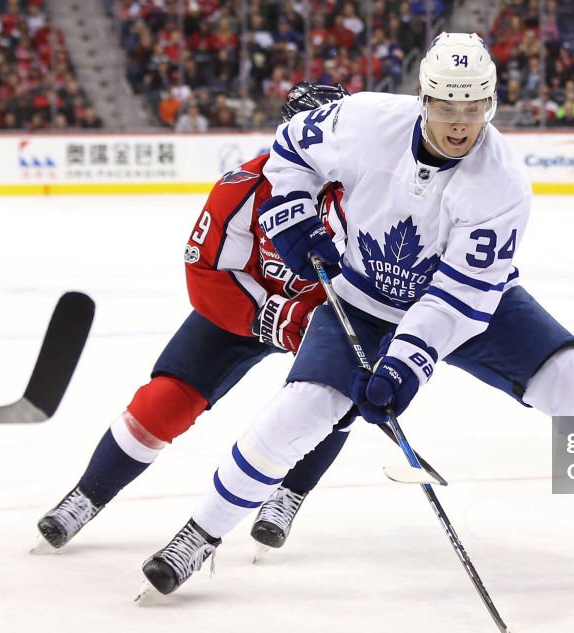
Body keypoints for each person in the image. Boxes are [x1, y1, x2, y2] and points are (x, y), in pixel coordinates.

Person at [140, 33, 574, 597]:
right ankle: (199, 534)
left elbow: (458, 299)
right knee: (301, 412)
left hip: (470, 303)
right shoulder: (365, 121)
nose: (461, 122)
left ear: (490, 104)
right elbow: (290, 147)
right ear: (424, 99)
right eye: (447, 106)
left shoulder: (502, 182)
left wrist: (404, 366)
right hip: (363, 298)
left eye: (475, 107)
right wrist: (290, 215)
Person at [35, 83, 352, 553]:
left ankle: (288, 493)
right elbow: (204, 272)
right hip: (246, 309)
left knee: (337, 400)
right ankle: (87, 495)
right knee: (166, 398)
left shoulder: (367, 197)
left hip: (319, 314)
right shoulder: (243, 187)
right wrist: (269, 315)